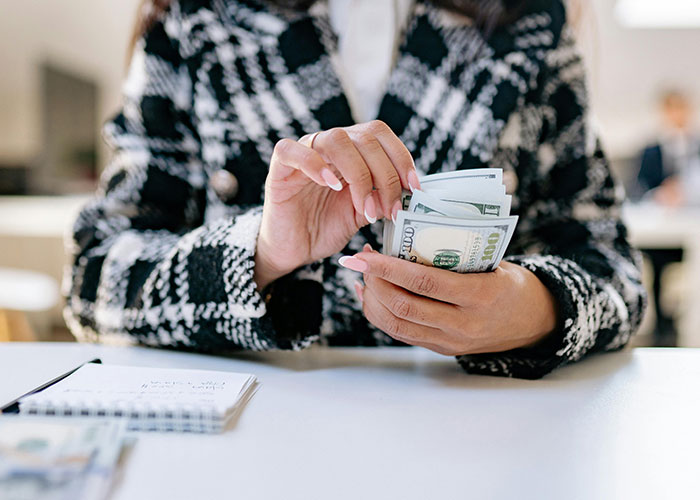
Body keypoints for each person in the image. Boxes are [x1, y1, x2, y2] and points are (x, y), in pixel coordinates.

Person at [64, 0, 646, 379]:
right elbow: (93, 281)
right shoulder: (196, 22)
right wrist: (263, 254)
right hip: (253, 447)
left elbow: (616, 274)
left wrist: (537, 309)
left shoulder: (529, 25)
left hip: (475, 444)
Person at [636, 90, 700, 346]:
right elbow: (639, 187)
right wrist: (662, 195)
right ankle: (662, 326)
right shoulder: (651, 151)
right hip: (660, 230)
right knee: (656, 264)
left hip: (692, 228)